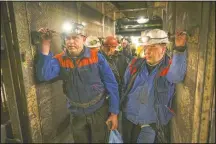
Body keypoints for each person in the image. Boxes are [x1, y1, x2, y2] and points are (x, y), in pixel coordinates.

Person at [35, 23, 119, 143]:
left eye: (75, 38)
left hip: (98, 111)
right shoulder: (60, 60)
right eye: (68, 38)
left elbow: (112, 84)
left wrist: (114, 113)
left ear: (83, 39)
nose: (71, 42)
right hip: (76, 113)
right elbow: (44, 75)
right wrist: (45, 44)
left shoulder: (96, 57)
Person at [121, 29, 187, 143]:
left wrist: (180, 49)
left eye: (152, 47)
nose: (147, 51)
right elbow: (124, 86)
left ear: (163, 48)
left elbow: (176, 76)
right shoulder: (135, 64)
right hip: (128, 119)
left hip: (149, 125)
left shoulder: (168, 67)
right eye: (146, 47)